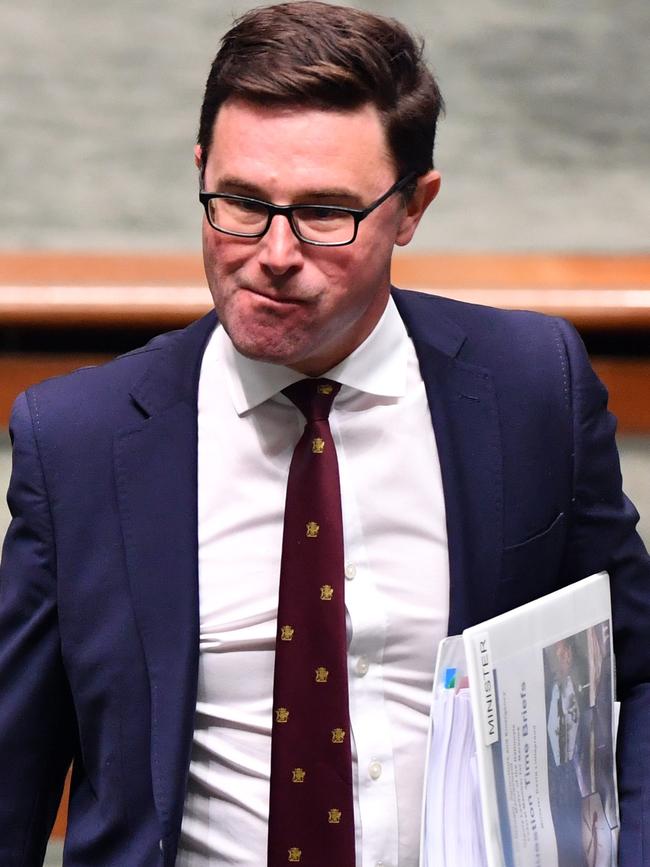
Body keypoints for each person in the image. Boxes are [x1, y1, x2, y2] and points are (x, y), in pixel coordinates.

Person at [0, 2, 648, 865]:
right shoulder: (78, 441)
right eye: (239, 202)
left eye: (324, 214)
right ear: (202, 172)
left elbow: (636, 672)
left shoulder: (532, 387)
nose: (272, 252)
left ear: (413, 208)